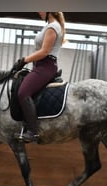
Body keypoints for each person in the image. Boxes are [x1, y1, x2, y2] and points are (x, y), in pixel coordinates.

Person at [12, 12, 66, 142]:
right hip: (40, 66)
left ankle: (33, 132)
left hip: (45, 66)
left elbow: (44, 51)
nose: (38, 12)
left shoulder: (53, 27)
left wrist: (25, 60)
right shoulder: (50, 26)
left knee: (23, 93)